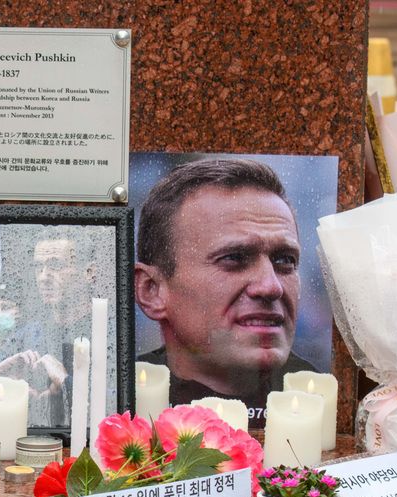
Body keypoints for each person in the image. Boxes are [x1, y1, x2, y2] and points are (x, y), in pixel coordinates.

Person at [133, 158, 316, 427]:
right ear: (152, 290)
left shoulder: (318, 398)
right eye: (234, 258)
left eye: (285, 260)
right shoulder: (111, 396)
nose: (271, 286)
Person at [0, 226, 101, 425]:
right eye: (38, 266)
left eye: (55, 265)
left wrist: (66, 382)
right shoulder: (24, 338)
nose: (43, 276)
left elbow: (112, 404)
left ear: (89, 272)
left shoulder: (108, 335)